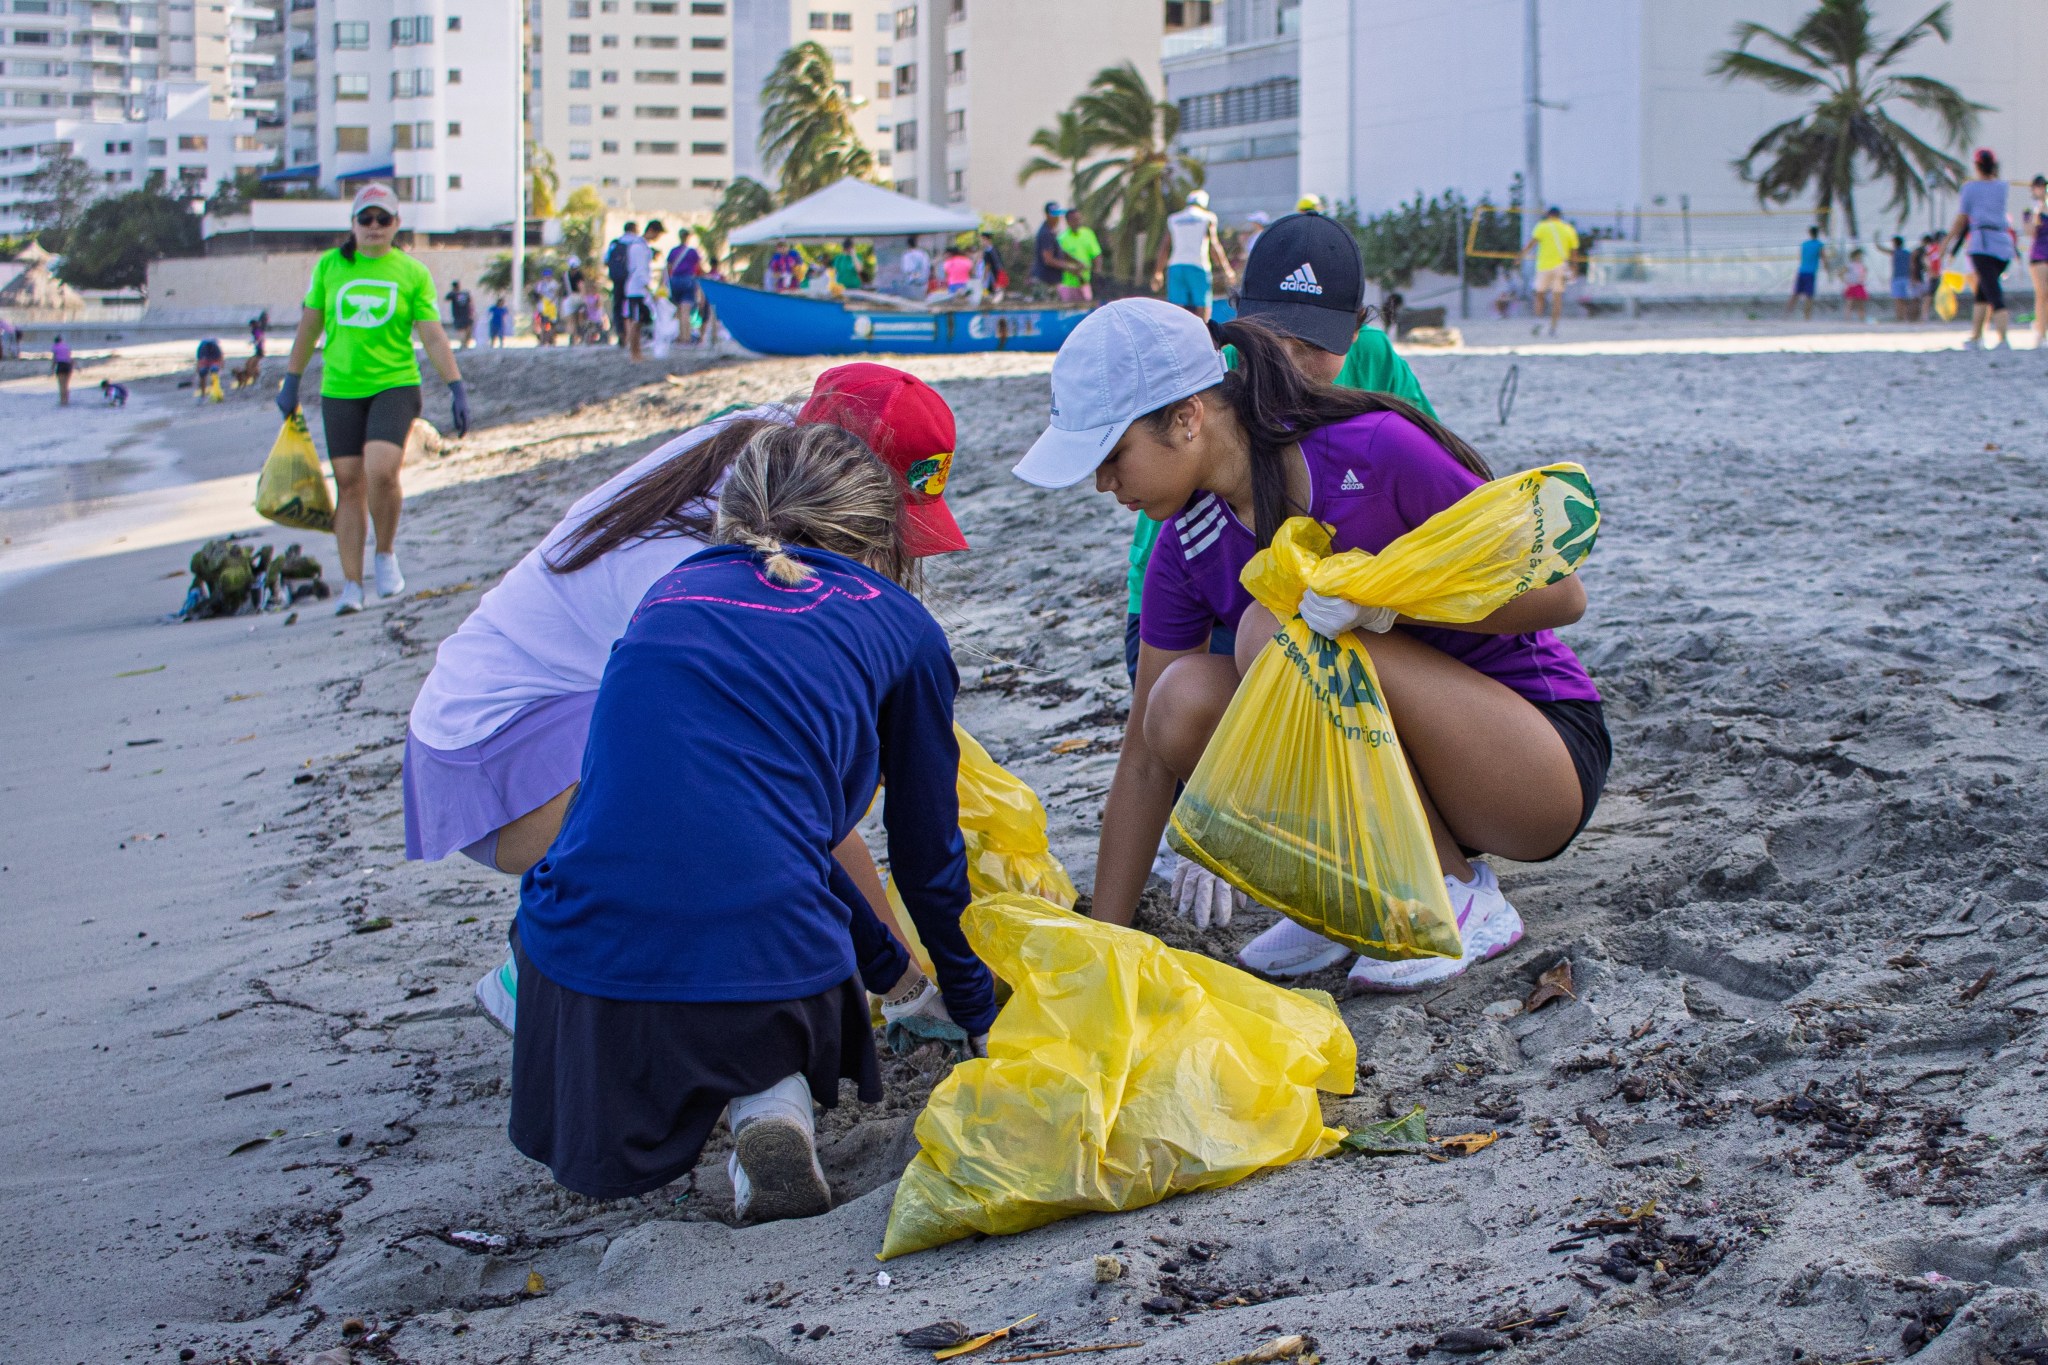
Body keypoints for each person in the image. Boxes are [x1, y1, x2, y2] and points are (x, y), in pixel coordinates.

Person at [1014, 300, 1606, 994]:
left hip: (1534, 762)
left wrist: (1384, 603)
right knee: (1179, 704)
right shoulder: (1184, 544)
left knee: (1275, 630)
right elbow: (1146, 761)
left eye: (1113, 455)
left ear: (1186, 418)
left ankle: (1454, 893)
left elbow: (1564, 596)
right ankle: (1355, 892)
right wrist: (1103, 952)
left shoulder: (1371, 449)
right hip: (1415, 775)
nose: (1103, 482)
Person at [507, 417, 996, 1216]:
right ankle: (774, 1108)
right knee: (769, 934)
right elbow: (924, 858)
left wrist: (898, 978)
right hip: (769, 963)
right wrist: (969, 1002)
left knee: (692, 900)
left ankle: (760, 1110)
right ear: (880, 539)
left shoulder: (669, 596)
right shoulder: (904, 627)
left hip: (577, 979)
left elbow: (648, 816)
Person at [405, 365, 972, 1028]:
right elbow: (782, 795)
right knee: (707, 789)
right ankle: (530, 967)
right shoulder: (710, 564)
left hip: (556, 721)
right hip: (494, 759)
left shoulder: (769, 455)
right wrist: (903, 979)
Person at [1120, 211, 1435, 690]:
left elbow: (1437, 488)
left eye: (1312, 341)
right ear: (1238, 319)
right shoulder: (1212, 377)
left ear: (1355, 331)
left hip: (1339, 596)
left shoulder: (1375, 360)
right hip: (1212, 601)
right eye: (1269, 337)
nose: (1288, 361)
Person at [277, 183, 470, 616]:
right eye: (366, 219)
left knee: (381, 470)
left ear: (397, 225)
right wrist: (291, 380)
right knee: (348, 483)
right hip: (340, 389)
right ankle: (351, 585)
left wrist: (456, 385)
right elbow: (309, 327)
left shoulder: (411, 272)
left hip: (395, 384)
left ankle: (384, 553)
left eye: (383, 219)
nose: (374, 227)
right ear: (353, 225)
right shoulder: (330, 267)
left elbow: (433, 335)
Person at [1946, 148, 2016, 350]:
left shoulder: (1970, 188)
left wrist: (1946, 245)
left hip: (1982, 244)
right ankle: (1976, 337)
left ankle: (2003, 339)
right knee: (1983, 292)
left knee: (1992, 291)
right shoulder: (2002, 187)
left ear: (1977, 166)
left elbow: (1961, 219)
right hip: (2003, 245)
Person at [1153, 189, 1234, 319]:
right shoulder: (1207, 218)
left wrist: (1158, 272)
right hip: (1198, 265)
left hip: (1176, 266)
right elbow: (1214, 245)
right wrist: (1226, 269)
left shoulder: (1174, 219)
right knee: (1203, 305)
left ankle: (1177, 336)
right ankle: (1205, 334)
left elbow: (1164, 247)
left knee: (1177, 307)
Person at [1517, 206, 1579, 337]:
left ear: (1548, 215)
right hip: (1561, 266)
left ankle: (1538, 320)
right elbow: (1574, 251)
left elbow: (1531, 243)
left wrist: (1520, 256)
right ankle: (1553, 327)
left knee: (1539, 295)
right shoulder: (1568, 229)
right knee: (1557, 298)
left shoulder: (1542, 226)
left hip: (1544, 266)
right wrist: (1574, 268)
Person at [620, 219, 657, 362]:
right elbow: (640, 270)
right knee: (636, 321)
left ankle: (637, 352)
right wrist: (648, 286)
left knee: (638, 321)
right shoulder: (639, 247)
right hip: (636, 289)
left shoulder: (639, 246)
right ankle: (634, 353)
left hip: (638, 288)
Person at [1057, 206, 1103, 305]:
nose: (1077, 222)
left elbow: (1096, 254)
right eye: (1074, 220)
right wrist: (1074, 269)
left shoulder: (1088, 234)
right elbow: (1060, 260)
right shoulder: (1062, 238)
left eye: (1078, 219)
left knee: (1086, 311)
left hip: (1084, 282)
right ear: (1068, 221)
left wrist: (1097, 271)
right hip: (1067, 284)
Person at [666, 228, 704, 341]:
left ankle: (680, 335)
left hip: (675, 281)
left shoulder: (673, 251)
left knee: (678, 310)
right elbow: (699, 268)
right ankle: (686, 337)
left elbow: (668, 268)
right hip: (688, 281)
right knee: (685, 311)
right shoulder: (692, 252)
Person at [1033, 202, 1077, 296]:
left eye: (1058, 215)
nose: (1057, 218)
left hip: (1051, 281)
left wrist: (1076, 261)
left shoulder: (1051, 231)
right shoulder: (1046, 233)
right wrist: (1069, 267)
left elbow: (1059, 252)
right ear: (1047, 215)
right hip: (1045, 282)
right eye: (1054, 215)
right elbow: (1048, 260)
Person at [605, 221, 636, 346]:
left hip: (617, 280)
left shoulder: (615, 243)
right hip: (632, 280)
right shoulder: (636, 242)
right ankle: (632, 335)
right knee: (632, 307)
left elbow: (606, 260)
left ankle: (620, 334)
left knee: (618, 306)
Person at [2026, 175, 2048, 349]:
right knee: (2042, 294)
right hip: (2039, 254)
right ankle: (2041, 332)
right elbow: (2030, 232)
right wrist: (2037, 214)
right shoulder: (2031, 210)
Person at [1788, 226, 1826, 319]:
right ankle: (1807, 316)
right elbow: (1823, 257)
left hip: (1802, 270)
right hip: (1811, 272)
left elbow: (1800, 257)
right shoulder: (1819, 244)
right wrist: (1827, 268)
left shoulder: (1804, 244)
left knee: (1795, 294)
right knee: (1809, 295)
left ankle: (1787, 314)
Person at [895, 235, 932, 300]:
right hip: (922, 281)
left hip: (910, 282)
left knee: (911, 300)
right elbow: (927, 266)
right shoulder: (923, 253)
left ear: (908, 244)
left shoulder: (906, 255)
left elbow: (905, 269)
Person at [1889, 236, 1915, 322]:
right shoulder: (1908, 253)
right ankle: (1905, 317)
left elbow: (1881, 248)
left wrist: (1876, 240)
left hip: (1897, 278)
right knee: (1905, 299)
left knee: (1898, 298)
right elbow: (1912, 266)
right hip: (1906, 277)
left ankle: (1899, 317)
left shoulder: (1894, 252)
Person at [978, 231, 1007, 303]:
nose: (982, 242)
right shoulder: (992, 250)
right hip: (996, 273)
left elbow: (988, 266)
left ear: (986, 239)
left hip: (995, 275)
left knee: (995, 291)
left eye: (982, 240)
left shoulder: (989, 251)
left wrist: (984, 277)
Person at [445, 280, 476, 349]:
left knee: (463, 330)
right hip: (463, 314)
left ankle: (464, 343)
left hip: (461, 315)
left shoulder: (457, 294)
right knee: (464, 329)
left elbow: (446, 298)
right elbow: (470, 302)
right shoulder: (461, 294)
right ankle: (464, 343)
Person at [1841, 248, 1869, 322]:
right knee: (1850, 303)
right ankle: (1847, 318)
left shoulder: (1861, 265)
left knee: (1860, 304)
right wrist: (1844, 280)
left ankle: (1862, 318)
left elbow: (1864, 274)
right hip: (1852, 285)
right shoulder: (1850, 265)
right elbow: (1841, 272)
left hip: (1859, 285)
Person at [195, 337, 225, 402]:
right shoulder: (202, 348)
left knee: (214, 371)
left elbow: (220, 358)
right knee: (202, 372)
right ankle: (203, 394)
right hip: (205, 360)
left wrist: (220, 367)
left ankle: (214, 391)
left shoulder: (216, 348)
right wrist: (198, 368)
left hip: (213, 360)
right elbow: (199, 360)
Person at [50, 335, 72, 405]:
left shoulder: (55, 347)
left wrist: (52, 369)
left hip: (61, 366)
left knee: (61, 385)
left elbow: (54, 359)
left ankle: (62, 401)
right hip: (68, 366)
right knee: (66, 385)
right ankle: (67, 400)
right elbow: (70, 357)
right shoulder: (66, 346)